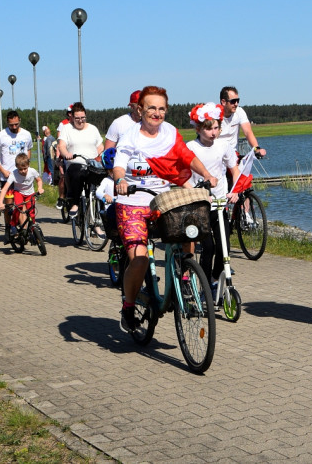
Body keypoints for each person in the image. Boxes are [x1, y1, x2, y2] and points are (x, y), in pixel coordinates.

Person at [113, 86, 219, 333]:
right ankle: (129, 306)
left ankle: (185, 277)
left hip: (162, 202)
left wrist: (206, 174)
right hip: (133, 204)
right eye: (151, 107)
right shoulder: (130, 137)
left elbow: (185, 156)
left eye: (161, 108)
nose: (157, 113)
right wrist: (120, 181)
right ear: (140, 110)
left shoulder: (170, 132)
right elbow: (119, 164)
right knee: (139, 260)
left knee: (189, 229)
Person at [187, 102, 241, 288]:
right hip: (200, 203)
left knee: (223, 245)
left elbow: (234, 170)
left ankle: (216, 279)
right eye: (209, 129)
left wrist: (235, 191)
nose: (213, 133)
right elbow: (182, 176)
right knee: (208, 247)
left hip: (219, 202)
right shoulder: (191, 148)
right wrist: (195, 193)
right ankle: (204, 284)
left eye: (216, 128)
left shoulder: (223, 146)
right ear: (199, 128)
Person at [57, 102, 104, 219]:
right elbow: (61, 145)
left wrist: (100, 154)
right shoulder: (67, 129)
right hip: (76, 163)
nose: (80, 121)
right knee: (77, 173)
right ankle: (75, 204)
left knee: (104, 180)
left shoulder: (93, 129)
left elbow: (100, 146)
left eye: (83, 118)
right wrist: (66, 154)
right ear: (72, 117)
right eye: (77, 118)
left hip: (92, 163)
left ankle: (101, 214)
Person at [0, 152, 44, 234]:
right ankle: (13, 224)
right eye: (20, 169)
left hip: (30, 193)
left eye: (25, 168)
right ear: (16, 167)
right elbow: (4, 189)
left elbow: (39, 180)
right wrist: (0, 202)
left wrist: (40, 188)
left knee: (31, 212)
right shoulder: (14, 174)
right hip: (19, 193)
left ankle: (32, 228)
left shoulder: (32, 171)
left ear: (28, 165)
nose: (23, 171)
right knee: (19, 207)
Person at [217, 86, 265, 158]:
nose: (236, 104)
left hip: (232, 155)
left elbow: (248, 132)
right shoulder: (214, 114)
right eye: (233, 101)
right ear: (223, 102)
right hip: (216, 156)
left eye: (237, 101)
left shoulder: (239, 112)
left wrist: (256, 148)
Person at [0, 111, 33, 191]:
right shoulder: (0, 135)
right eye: (11, 125)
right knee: (9, 202)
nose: (14, 127)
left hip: (23, 176)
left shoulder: (26, 134)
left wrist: (26, 166)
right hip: (7, 176)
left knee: (22, 202)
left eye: (16, 124)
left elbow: (28, 150)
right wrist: (3, 171)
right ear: (7, 123)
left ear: (20, 120)